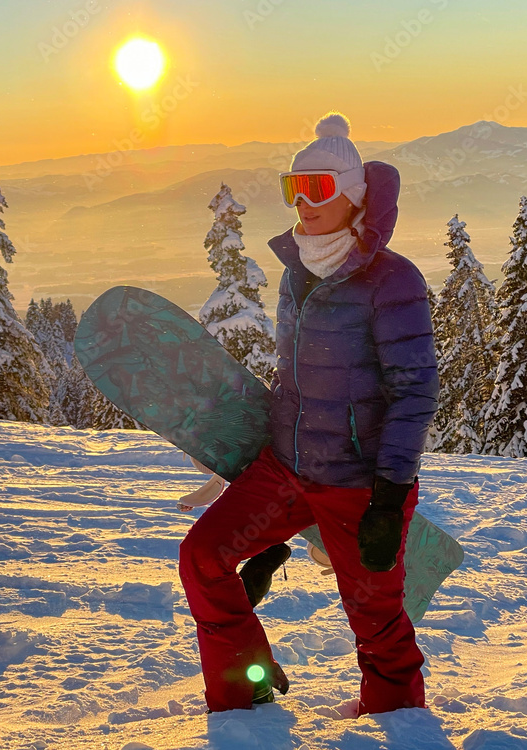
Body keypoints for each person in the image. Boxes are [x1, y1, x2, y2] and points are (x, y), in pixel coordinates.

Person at [178, 111, 440, 715]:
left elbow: (414, 391)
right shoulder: (297, 273)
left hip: (361, 484)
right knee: (204, 555)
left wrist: (389, 493)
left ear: (351, 195)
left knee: (375, 620)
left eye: (317, 187)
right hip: (287, 470)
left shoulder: (392, 281)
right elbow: (291, 382)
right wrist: (269, 536)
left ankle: (399, 723)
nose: (302, 200)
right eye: (292, 186)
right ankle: (248, 685)